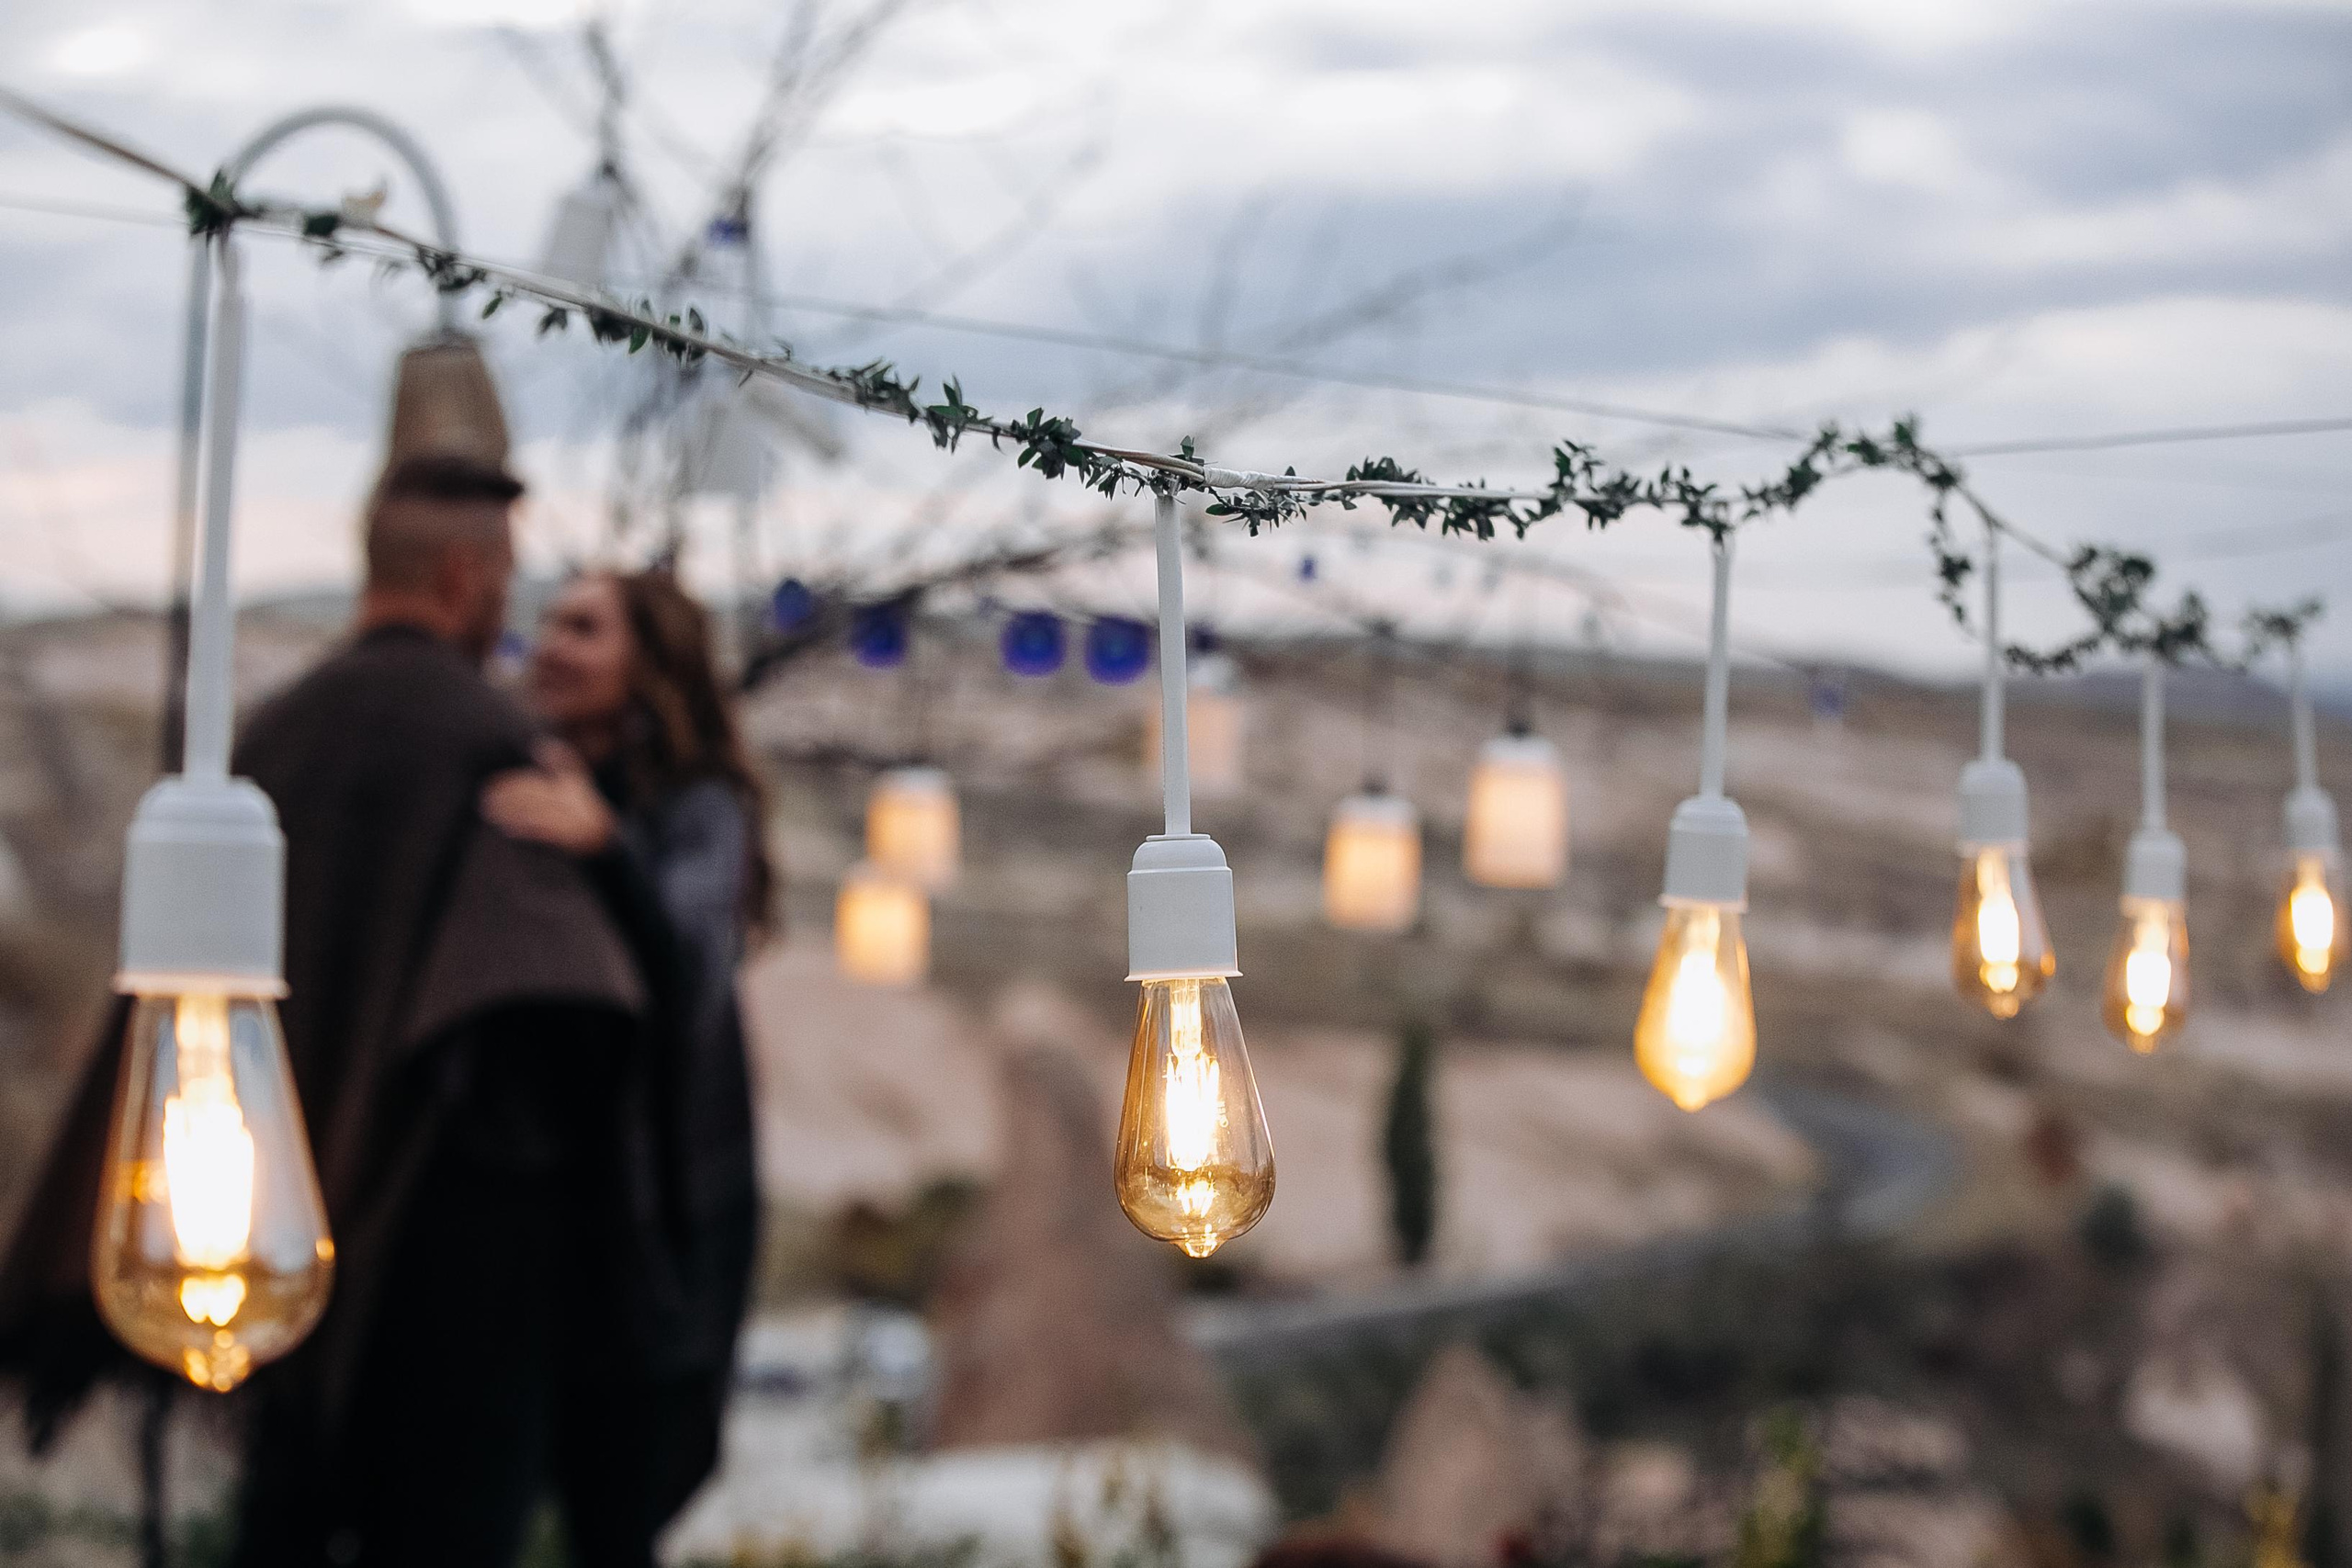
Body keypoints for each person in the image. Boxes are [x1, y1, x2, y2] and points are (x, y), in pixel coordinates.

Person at [0, 457, 734, 1568]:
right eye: (510, 585)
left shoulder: (279, 734)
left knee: (285, 1521)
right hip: (462, 1273)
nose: (519, 620)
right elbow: (582, 1009)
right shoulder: (490, 748)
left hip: (281, 1223)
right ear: (462, 573)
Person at [480, 565, 765, 1537]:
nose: (552, 643)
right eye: (549, 621)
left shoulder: (700, 806)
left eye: (584, 627)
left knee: (622, 1503)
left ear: (649, 664)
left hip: (662, 1209)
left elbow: (688, 969)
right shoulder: (515, 773)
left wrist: (606, 849)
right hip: (533, 1203)